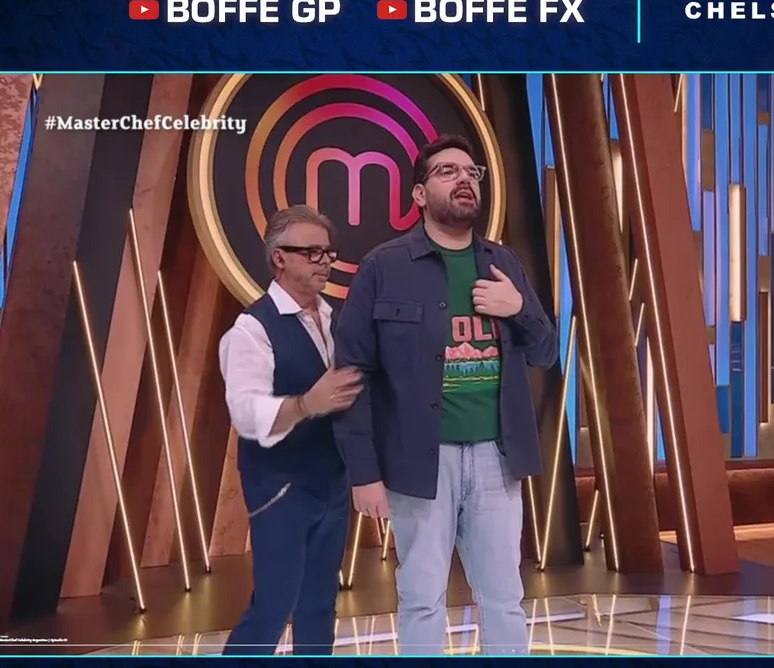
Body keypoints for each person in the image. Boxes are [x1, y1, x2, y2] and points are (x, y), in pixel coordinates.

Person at [332, 134, 559, 656]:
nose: (464, 180)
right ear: (418, 194)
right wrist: (363, 473)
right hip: (418, 463)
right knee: (421, 598)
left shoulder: (503, 263)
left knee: (504, 598)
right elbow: (351, 374)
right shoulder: (384, 267)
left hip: (497, 459)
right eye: (447, 172)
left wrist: (518, 307)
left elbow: (546, 352)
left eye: (471, 172)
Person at [219, 206, 363, 655]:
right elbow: (246, 412)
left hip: (332, 480)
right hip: (280, 484)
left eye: (328, 252)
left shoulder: (336, 318)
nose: (324, 261)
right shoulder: (252, 328)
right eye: (311, 252)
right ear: (279, 258)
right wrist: (304, 405)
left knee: (319, 605)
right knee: (274, 604)